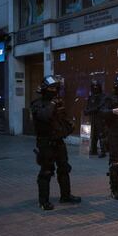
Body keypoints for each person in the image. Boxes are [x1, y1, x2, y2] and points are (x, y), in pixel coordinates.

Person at [31, 75, 81, 210]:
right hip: (45, 142)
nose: (54, 91)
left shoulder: (58, 102)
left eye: (56, 88)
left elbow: (61, 119)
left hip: (58, 141)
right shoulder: (37, 104)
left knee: (64, 169)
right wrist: (53, 104)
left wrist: (69, 126)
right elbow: (45, 116)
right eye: (52, 88)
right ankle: (43, 201)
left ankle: (65, 195)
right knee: (46, 171)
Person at [84, 79, 108, 158]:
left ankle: (103, 151)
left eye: (96, 86)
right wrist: (86, 110)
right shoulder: (91, 97)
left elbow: (99, 107)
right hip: (93, 118)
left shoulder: (102, 96)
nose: (95, 88)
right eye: (93, 86)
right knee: (93, 134)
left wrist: (89, 111)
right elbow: (88, 105)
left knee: (101, 135)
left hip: (100, 117)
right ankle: (93, 149)